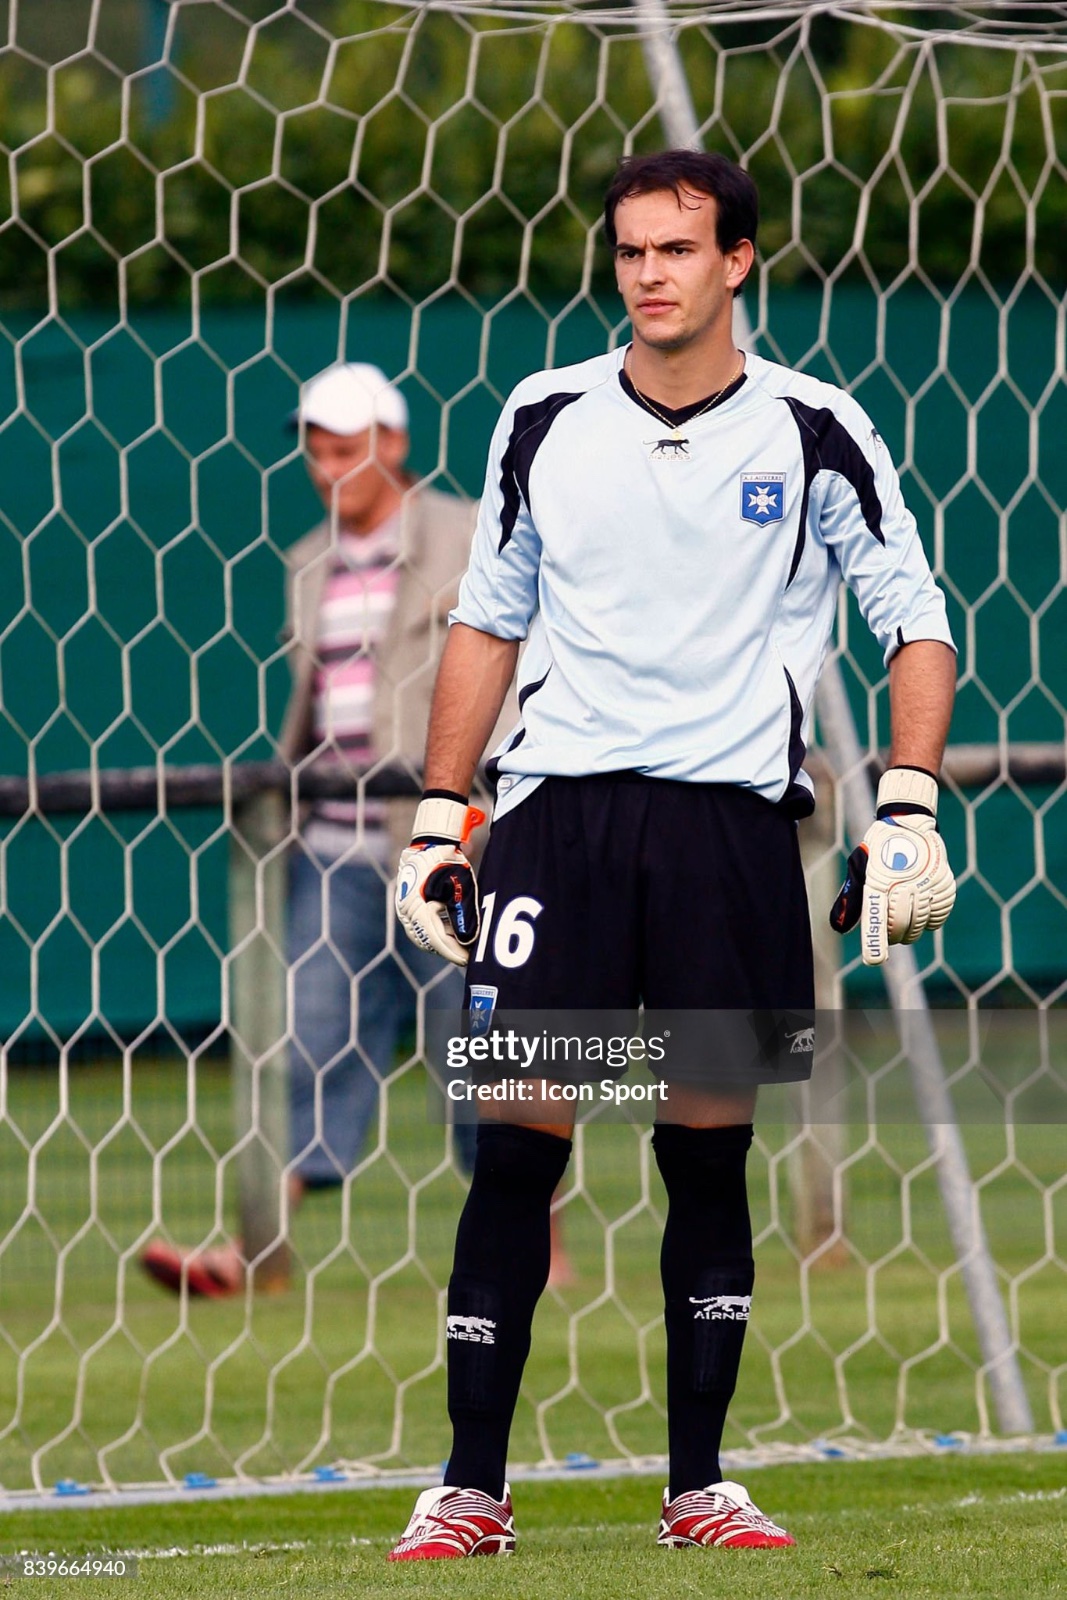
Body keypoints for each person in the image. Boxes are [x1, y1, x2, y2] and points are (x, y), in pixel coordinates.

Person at [390, 149, 957, 1557]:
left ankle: (696, 1486)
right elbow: (486, 619)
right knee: (515, 1154)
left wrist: (905, 806)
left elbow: (915, 618)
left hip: (725, 832)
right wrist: (436, 814)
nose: (648, 272)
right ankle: (467, 1489)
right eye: (631, 249)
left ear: (737, 262)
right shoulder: (545, 415)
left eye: (677, 249)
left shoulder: (814, 429)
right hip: (560, 822)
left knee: (704, 1161)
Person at [141, 362, 506, 1297]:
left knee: (483, 1051)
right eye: (313, 449)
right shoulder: (307, 561)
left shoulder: (471, 537)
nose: (324, 466)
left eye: (344, 447)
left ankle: (538, 1254)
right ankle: (254, 1251)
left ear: (394, 444)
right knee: (304, 1042)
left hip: (449, 845)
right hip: (331, 847)